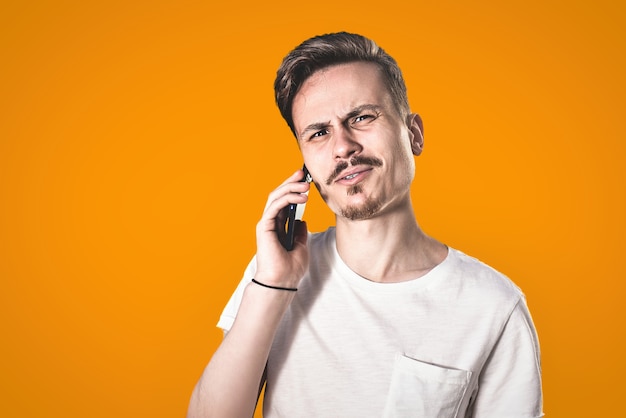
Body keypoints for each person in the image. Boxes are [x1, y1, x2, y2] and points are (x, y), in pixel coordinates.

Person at [188, 32, 543, 417]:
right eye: (319, 133)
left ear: (414, 134)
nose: (343, 146)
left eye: (361, 117)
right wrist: (274, 284)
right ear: (306, 166)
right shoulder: (272, 277)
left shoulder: (492, 305)